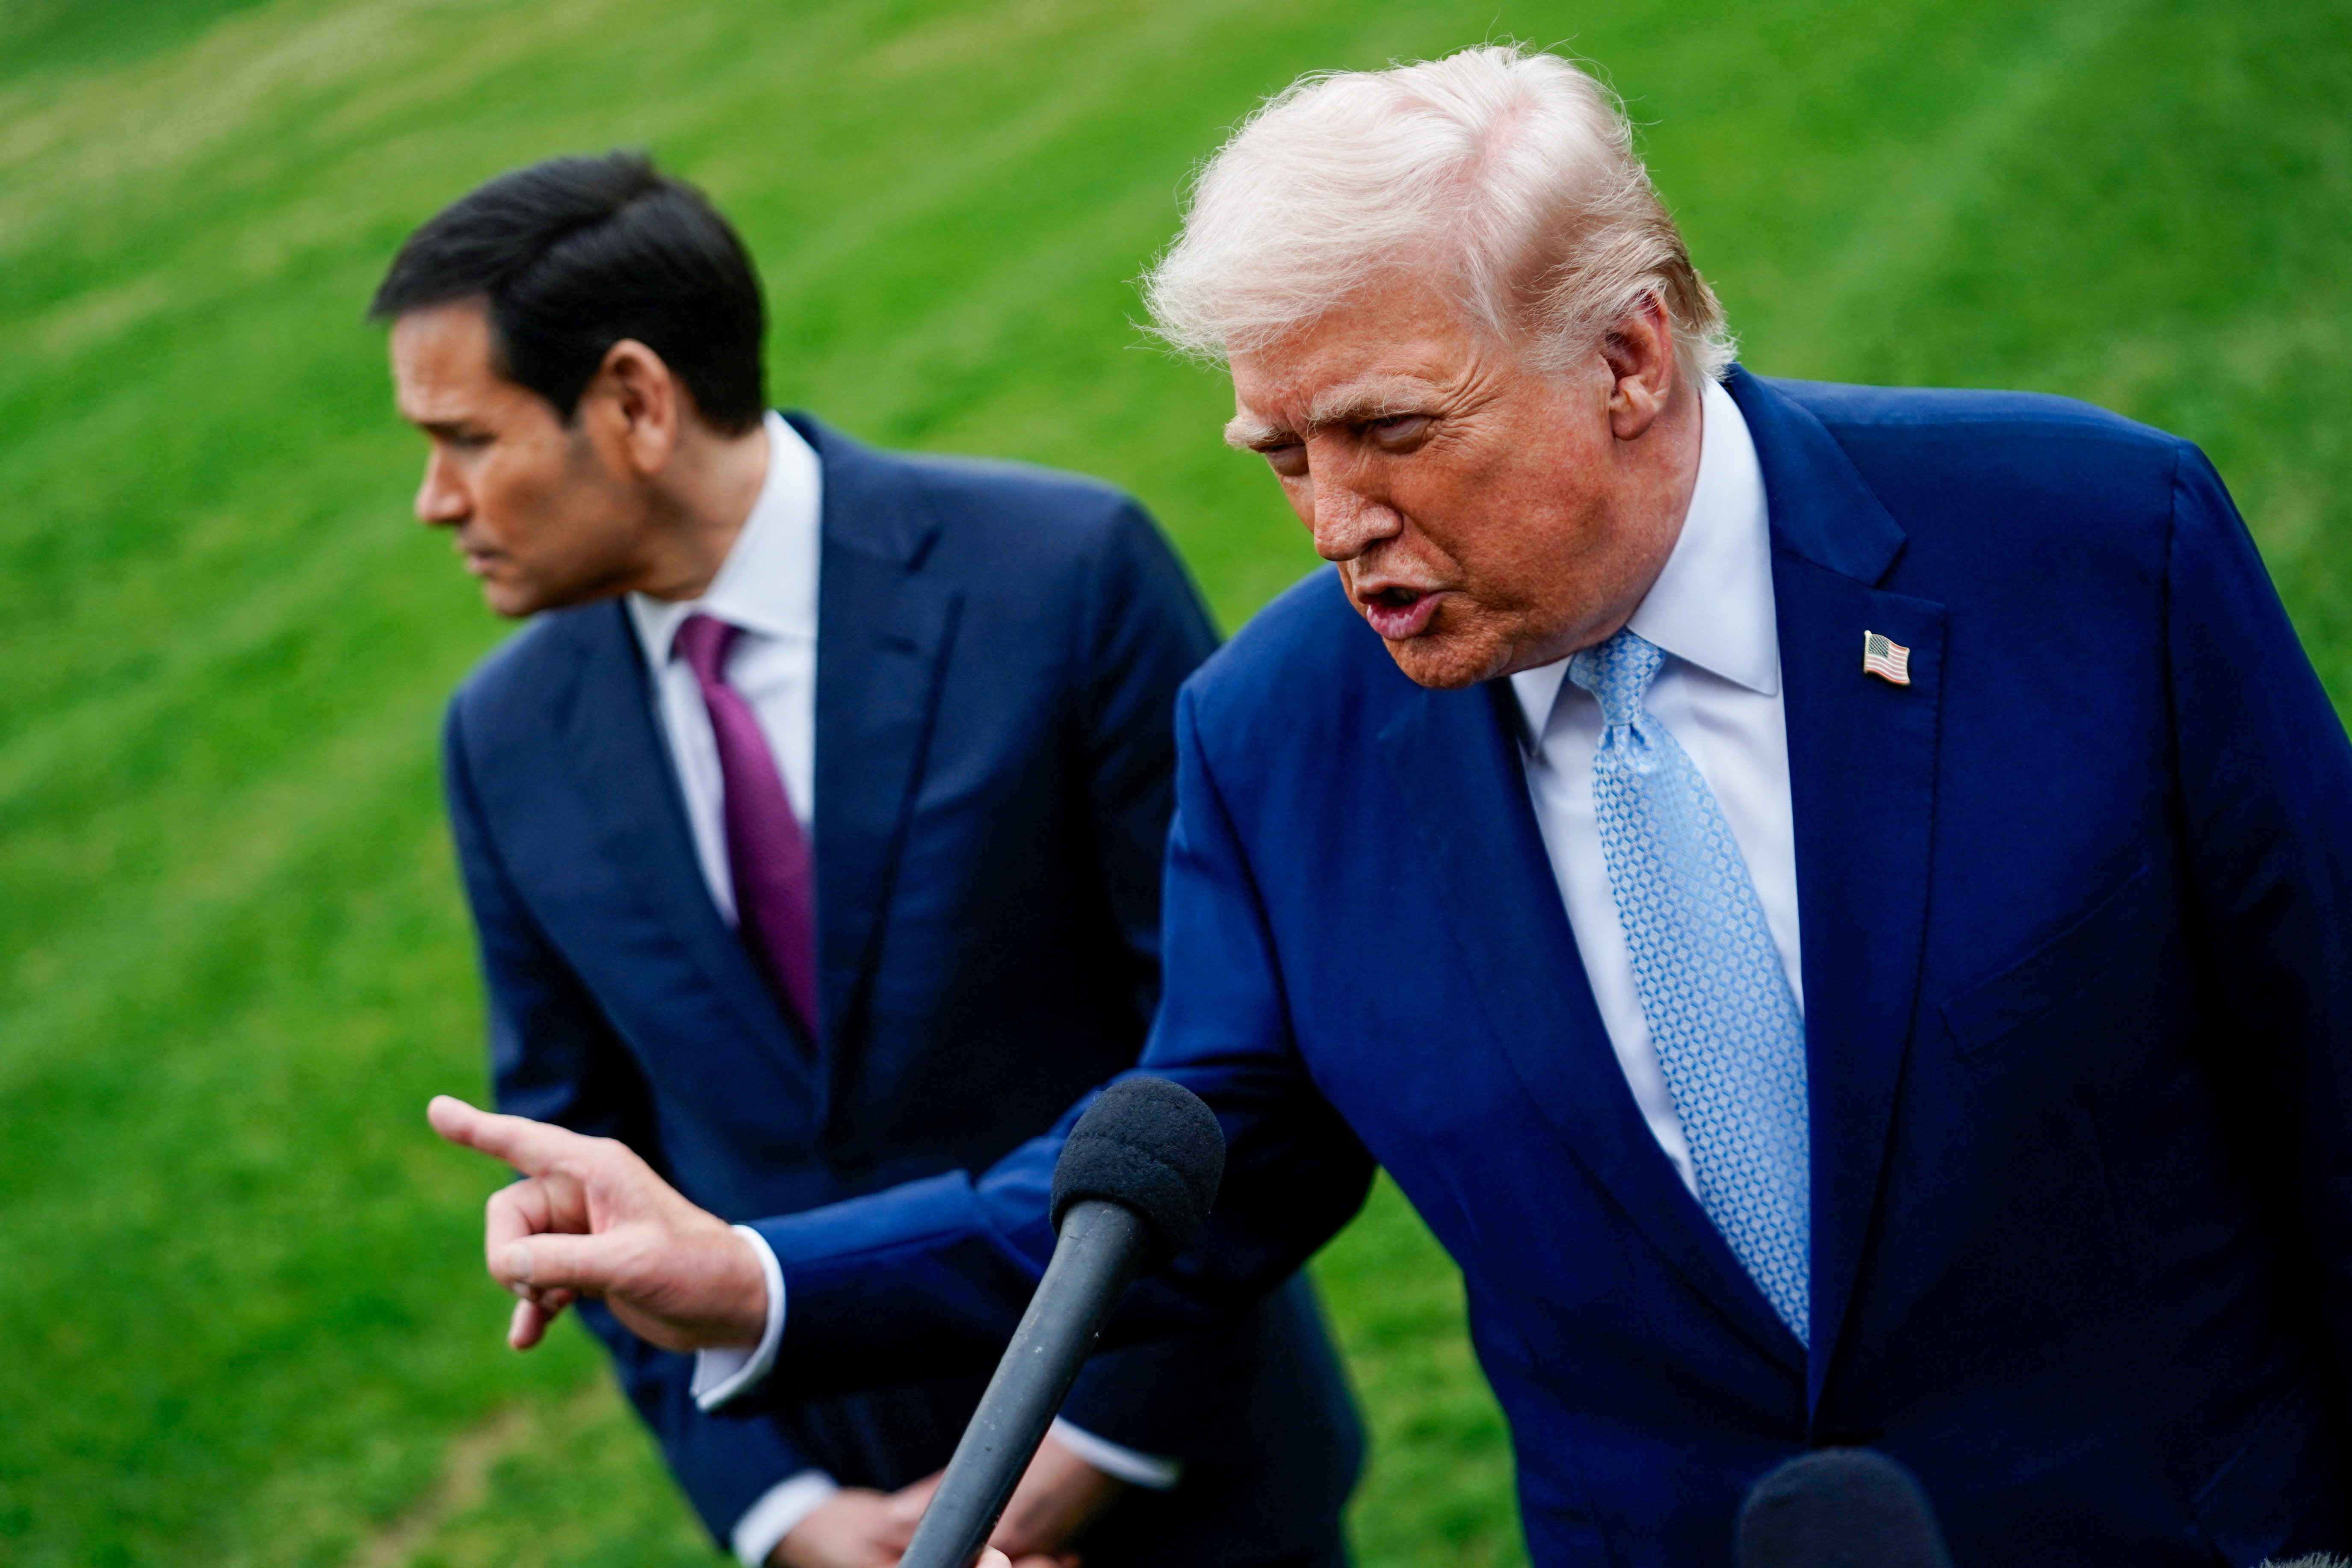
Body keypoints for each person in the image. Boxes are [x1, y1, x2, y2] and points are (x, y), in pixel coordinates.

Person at [429, 48, 2352, 1567]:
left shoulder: (2099, 550)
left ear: (1626, 351)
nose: (1337, 523)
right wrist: (757, 1275)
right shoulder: (1278, 731)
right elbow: (1184, 1185)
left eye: (1394, 432)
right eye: (1282, 450)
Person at [379, 153, 1360, 1568]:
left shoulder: (1063, 577)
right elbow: (588, 1160)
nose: (434, 498)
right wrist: (786, 1514)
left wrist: (1082, 1446)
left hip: (1180, 1483)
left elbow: (1241, 1051)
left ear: (637, 403)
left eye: (466, 437)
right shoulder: (503, 735)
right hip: (846, 1513)